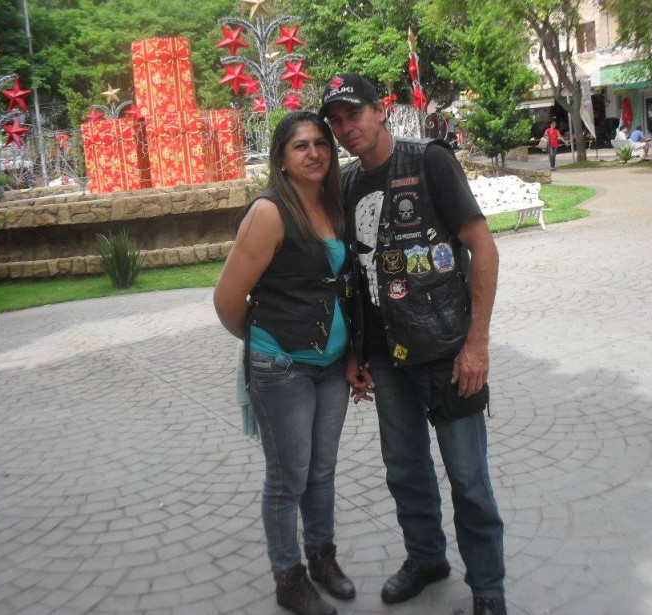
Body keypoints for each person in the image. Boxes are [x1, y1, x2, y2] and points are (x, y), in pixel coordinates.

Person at [319, 73, 506, 615]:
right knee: (404, 469)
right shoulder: (347, 185)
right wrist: (355, 352)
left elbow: (483, 248)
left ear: (382, 110)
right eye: (336, 121)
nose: (345, 128)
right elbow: (355, 277)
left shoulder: (429, 162)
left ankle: (488, 589)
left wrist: (476, 344)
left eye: (354, 114)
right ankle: (426, 558)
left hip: (448, 351)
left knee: (467, 477)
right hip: (386, 359)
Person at [213, 111, 355, 615]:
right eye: (300, 145)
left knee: (322, 471)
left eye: (321, 143)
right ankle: (288, 577)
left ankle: (321, 557)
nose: (314, 153)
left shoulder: (335, 205)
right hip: (283, 368)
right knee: (288, 477)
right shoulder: (269, 212)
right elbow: (227, 300)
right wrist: (268, 345)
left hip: (333, 367)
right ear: (281, 158)